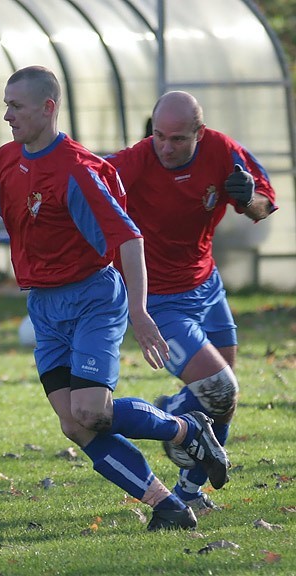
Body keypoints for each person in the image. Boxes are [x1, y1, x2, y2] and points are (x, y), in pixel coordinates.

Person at [0, 66, 230, 531]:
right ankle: (167, 507)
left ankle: (187, 430)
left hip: (92, 300)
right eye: (5, 104)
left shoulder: (77, 171)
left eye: (16, 105)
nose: (7, 115)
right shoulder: (6, 159)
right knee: (76, 425)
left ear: (48, 107)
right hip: (44, 307)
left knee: (91, 411)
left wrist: (141, 312)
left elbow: (129, 239)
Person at [106, 91, 277, 512]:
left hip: (206, 285)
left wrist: (246, 196)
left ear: (200, 133)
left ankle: (189, 494)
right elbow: (82, 189)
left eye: (178, 139)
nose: (166, 146)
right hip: (158, 296)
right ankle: (174, 416)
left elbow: (263, 206)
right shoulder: (133, 162)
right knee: (217, 388)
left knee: (224, 399)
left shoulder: (222, 151)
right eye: (159, 135)